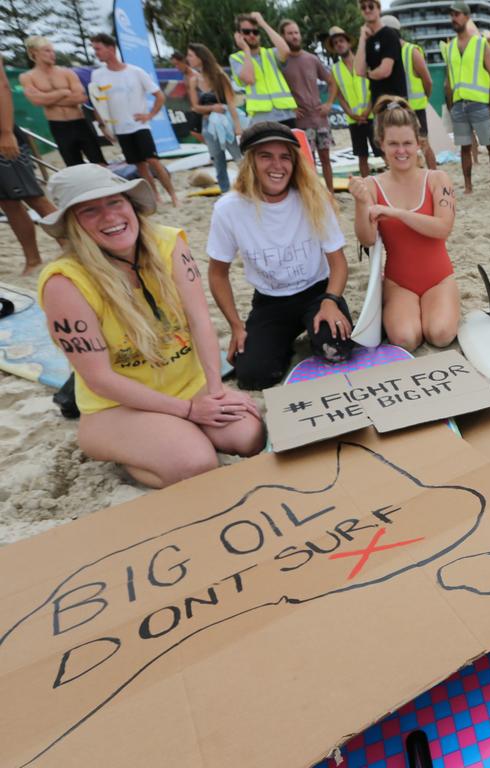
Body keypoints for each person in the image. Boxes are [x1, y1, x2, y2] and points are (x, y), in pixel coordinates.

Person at [37, 164, 264, 487]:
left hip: (187, 384)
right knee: (195, 463)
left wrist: (215, 390)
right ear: (72, 223)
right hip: (117, 405)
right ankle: (128, 450)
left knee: (249, 436)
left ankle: (172, 435)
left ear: (131, 204)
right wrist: (187, 411)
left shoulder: (168, 243)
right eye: (89, 210)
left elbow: (201, 321)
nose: (109, 216)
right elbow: (99, 379)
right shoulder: (65, 282)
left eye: (115, 202)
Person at [207, 122, 354, 391]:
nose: (277, 165)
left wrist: (331, 301)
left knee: (337, 350)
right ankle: (280, 341)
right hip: (270, 301)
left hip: (318, 292)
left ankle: (309, 331)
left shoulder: (313, 197)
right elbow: (217, 274)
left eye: (285, 157)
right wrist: (236, 327)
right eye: (266, 156)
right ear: (250, 161)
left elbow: (338, 261)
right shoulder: (228, 209)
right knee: (253, 376)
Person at [350, 98, 459, 352]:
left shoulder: (437, 179)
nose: (402, 151)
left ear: (418, 144)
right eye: (394, 144)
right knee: (405, 339)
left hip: (439, 278)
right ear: (381, 145)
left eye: (408, 143)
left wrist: (396, 213)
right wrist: (360, 203)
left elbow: (443, 228)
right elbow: (366, 239)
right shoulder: (372, 185)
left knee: (440, 334)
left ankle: (443, 305)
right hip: (400, 283)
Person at [89, 33, 178, 207]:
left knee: (153, 160)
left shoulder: (135, 71)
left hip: (139, 125)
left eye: (98, 49)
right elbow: (97, 104)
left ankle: (173, 195)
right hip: (120, 128)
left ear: (111, 49)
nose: (96, 53)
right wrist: (103, 126)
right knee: (140, 165)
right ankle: (155, 197)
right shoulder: (98, 75)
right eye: (94, 49)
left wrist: (150, 115)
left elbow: (159, 95)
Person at [1, 56, 57, 274]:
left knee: (33, 196)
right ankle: (32, 259)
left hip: (2, 136)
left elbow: (3, 86)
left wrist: (6, 132)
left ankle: (75, 247)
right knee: (7, 202)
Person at [444, 2, 490, 194]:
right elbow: (448, 81)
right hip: (459, 105)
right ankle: (468, 187)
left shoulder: (480, 43)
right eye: (452, 15)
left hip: (479, 103)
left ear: (467, 17)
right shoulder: (450, 47)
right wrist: (451, 105)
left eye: (457, 14)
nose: (454, 18)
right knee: (464, 147)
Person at [21, 36, 106, 167]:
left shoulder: (66, 73)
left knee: (99, 162)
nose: (52, 54)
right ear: (34, 52)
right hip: (58, 126)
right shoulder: (28, 77)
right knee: (74, 166)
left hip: (80, 122)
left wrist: (47, 98)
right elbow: (36, 101)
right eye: (47, 51)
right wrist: (62, 92)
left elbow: (81, 97)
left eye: (53, 51)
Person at [278, 19, 336, 193]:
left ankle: (330, 194)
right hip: (301, 123)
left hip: (320, 119)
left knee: (326, 159)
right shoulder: (281, 62)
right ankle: (314, 195)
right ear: (283, 36)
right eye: (290, 33)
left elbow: (332, 82)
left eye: (296, 32)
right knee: (307, 163)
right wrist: (290, 108)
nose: (295, 36)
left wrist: (329, 103)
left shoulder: (312, 58)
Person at [380, 15, 438, 171]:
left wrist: (424, 98)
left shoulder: (411, 51)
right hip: (396, 110)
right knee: (402, 147)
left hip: (414, 109)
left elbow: (428, 81)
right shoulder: (386, 55)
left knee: (423, 144)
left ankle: (434, 177)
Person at [186, 44, 245, 194]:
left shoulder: (219, 76)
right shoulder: (194, 80)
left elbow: (231, 103)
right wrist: (213, 108)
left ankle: (249, 187)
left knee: (238, 157)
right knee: (218, 161)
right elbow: (195, 107)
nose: (188, 59)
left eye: (190, 55)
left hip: (225, 122)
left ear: (200, 57)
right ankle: (225, 192)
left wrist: (238, 126)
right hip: (207, 124)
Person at [230, 12, 297, 128]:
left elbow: (286, 51)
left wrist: (263, 23)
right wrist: (246, 49)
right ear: (238, 35)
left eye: (255, 32)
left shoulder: (271, 53)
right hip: (260, 118)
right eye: (246, 32)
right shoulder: (236, 58)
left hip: (286, 114)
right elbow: (249, 78)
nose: (252, 35)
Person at [328, 26, 378, 179]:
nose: (339, 44)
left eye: (341, 41)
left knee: (382, 151)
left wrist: (368, 110)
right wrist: (351, 113)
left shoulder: (364, 61)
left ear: (349, 43)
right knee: (362, 156)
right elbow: (340, 96)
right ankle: (367, 187)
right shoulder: (335, 69)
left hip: (372, 115)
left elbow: (374, 87)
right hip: (353, 119)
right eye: (336, 43)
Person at [355, 0, 408, 107]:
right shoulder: (368, 40)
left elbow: (385, 71)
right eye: (363, 7)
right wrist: (362, 38)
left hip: (394, 101)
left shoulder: (389, 35)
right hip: (378, 102)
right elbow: (359, 71)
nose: (367, 10)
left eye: (370, 6)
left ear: (379, 9)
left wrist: (368, 74)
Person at [170, 50, 205, 144]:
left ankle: (213, 148)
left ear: (183, 61)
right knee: (194, 131)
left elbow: (206, 92)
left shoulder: (195, 75)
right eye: (174, 65)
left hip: (201, 108)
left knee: (196, 131)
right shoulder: (184, 75)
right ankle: (212, 148)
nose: (176, 67)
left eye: (177, 64)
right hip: (193, 109)